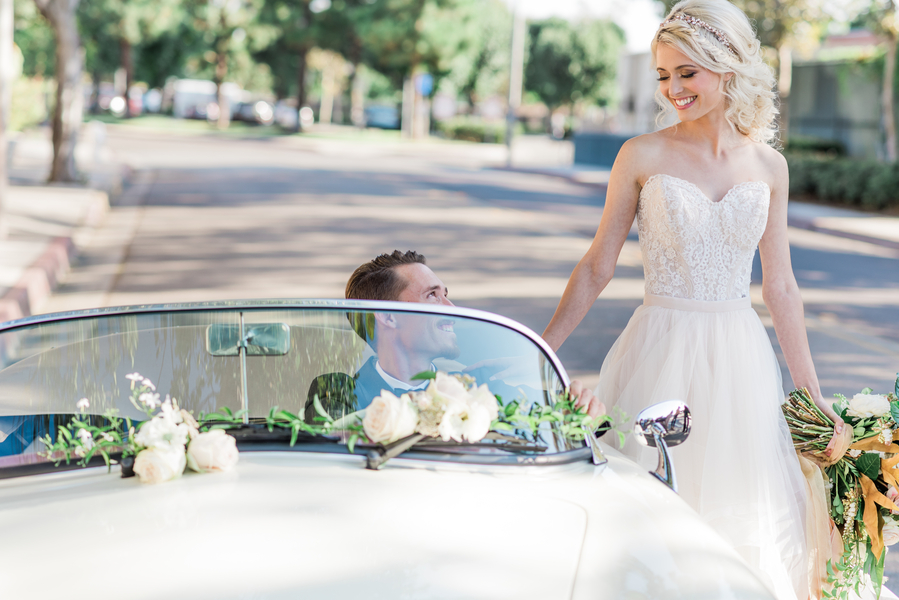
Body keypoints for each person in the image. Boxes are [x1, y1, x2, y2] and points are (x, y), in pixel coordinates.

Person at [540, 2, 843, 598]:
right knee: (648, 518)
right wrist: (540, 348)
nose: (673, 88)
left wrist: (812, 396)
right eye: (662, 75)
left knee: (735, 520)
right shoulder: (641, 155)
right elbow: (599, 263)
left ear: (726, 68)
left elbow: (779, 286)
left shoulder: (769, 167)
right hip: (660, 351)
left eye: (687, 73)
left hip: (739, 362)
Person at [342, 250, 600, 415]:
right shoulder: (340, 391)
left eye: (446, 295)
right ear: (388, 316)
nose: (452, 309)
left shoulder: (477, 385)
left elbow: (549, 413)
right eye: (432, 295)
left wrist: (582, 408)